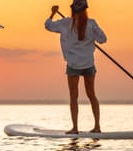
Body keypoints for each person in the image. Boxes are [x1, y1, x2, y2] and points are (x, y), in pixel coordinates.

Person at [45, 0, 107, 134]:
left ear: (73, 9)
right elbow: (103, 39)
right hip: (89, 64)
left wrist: (53, 13)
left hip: (73, 64)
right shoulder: (92, 24)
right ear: (85, 10)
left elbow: (48, 25)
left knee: (74, 96)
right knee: (92, 94)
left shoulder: (66, 23)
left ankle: (75, 128)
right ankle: (97, 127)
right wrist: (92, 37)